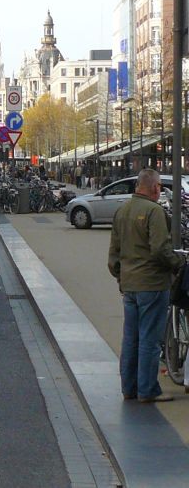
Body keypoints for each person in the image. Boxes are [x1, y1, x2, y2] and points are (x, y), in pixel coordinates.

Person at [108, 168, 183, 403]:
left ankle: (128, 388)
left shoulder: (122, 211)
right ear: (155, 187)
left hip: (129, 285)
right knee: (150, 340)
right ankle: (147, 390)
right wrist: (177, 263)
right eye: (159, 186)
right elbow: (161, 248)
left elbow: (114, 254)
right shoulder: (154, 211)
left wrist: (122, 276)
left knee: (131, 339)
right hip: (152, 284)